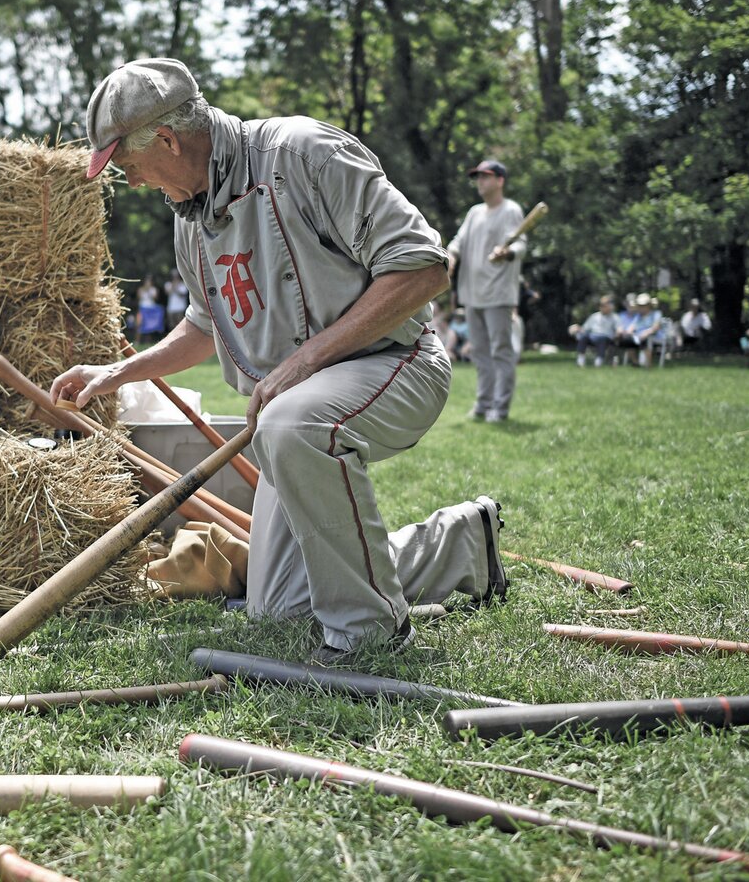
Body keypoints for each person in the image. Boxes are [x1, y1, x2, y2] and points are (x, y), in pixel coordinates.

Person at [49, 58, 508, 665]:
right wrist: (118, 372)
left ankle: (370, 630)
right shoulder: (191, 219)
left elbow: (423, 268)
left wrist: (303, 362)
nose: (132, 181)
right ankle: (462, 546)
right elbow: (204, 325)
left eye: (129, 165)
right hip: (290, 409)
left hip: (396, 362)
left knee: (294, 422)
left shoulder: (303, 154)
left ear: (166, 139)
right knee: (280, 606)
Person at [446, 159, 527, 422]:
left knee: (500, 352)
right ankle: (483, 404)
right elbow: (459, 240)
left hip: (498, 295)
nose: (480, 181)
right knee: (479, 353)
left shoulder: (510, 210)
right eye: (477, 177)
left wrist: (508, 252)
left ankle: (500, 408)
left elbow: (521, 244)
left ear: (500, 180)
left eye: (486, 176)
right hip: (472, 294)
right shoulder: (474, 212)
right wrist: (452, 254)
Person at [569, 295, 618, 367]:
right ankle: (580, 360)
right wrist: (577, 328)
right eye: (601, 305)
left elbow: (618, 330)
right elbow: (584, 329)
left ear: (610, 306)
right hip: (593, 336)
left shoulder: (615, 317)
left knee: (602, 339)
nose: (603, 307)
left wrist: (618, 334)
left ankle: (599, 361)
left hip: (606, 337)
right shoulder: (594, 316)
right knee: (584, 337)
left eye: (605, 305)